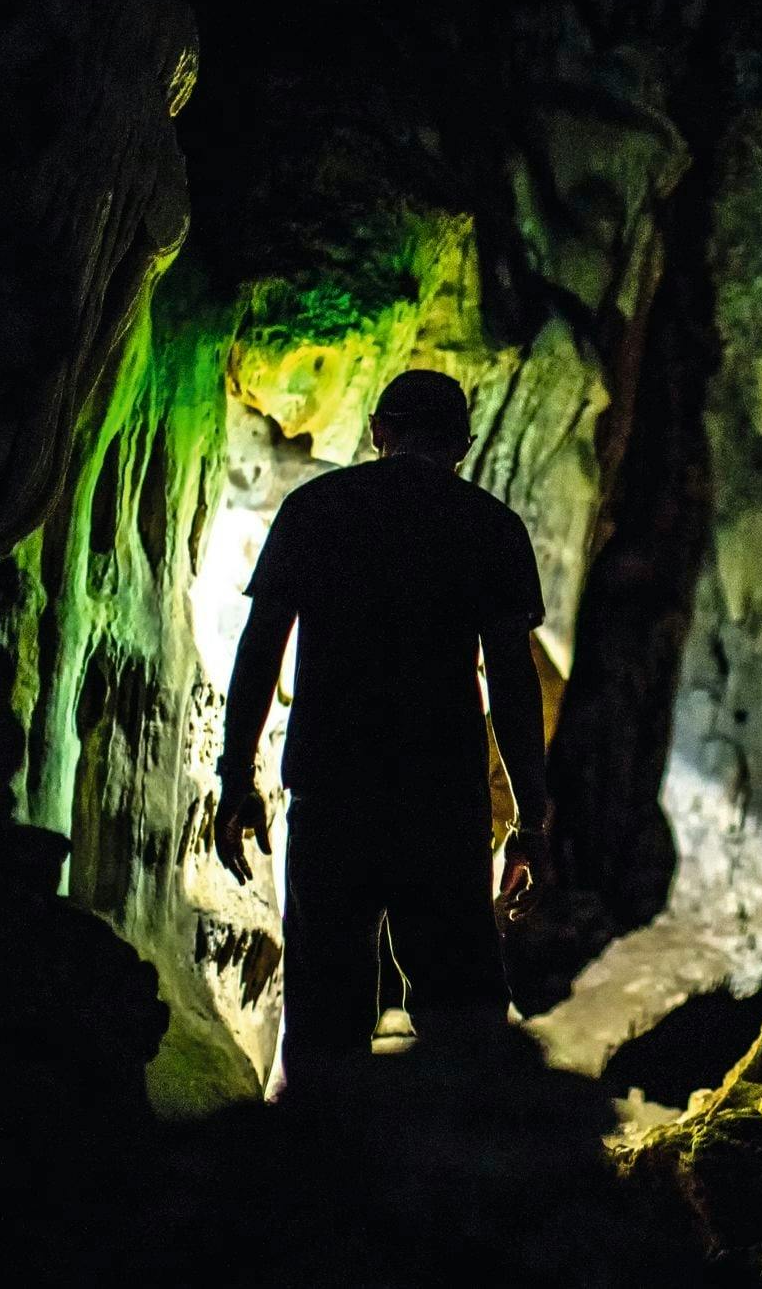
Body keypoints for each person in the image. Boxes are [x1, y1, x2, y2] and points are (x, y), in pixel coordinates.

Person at [213, 368, 547, 1092]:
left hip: (334, 791)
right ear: (463, 443)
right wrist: (531, 819)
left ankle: (325, 1190)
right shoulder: (489, 527)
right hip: (440, 799)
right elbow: (514, 682)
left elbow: (260, 644)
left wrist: (234, 775)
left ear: (376, 432)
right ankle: (467, 1191)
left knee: (326, 1016)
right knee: (462, 1012)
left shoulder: (314, 511)